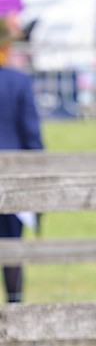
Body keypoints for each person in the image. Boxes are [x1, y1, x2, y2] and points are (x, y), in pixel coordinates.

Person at [0, 19, 42, 303]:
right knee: (12, 246)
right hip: (11, 174)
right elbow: (31, 134)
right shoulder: (18, 81)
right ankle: (15, 307)